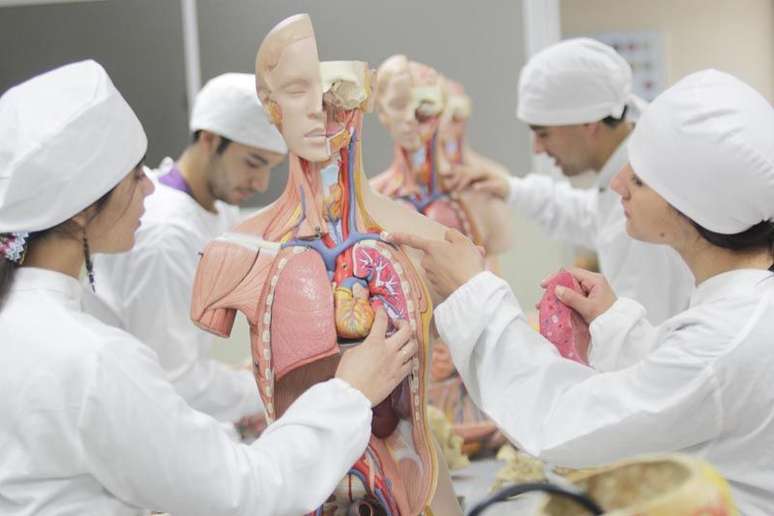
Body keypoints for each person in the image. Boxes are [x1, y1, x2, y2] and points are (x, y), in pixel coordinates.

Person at [0, 60, 416, 515]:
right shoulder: (95, 357)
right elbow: (246, 492)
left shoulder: (33, 318)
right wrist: (349, 392)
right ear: (80, 209)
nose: (149, 189)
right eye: (134, 176)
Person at [389, 70, 774, 513]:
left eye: (640, 180)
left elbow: (567, 420)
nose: (617, 184)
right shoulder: (743, 308)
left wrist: (473, 295)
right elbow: (681, 392)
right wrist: (615, 326)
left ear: (692, 208)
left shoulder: (723, 343)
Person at [91, 73, 286, 430]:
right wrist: (274, 391)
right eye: (253, 163)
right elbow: (173, 383)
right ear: (210, 139)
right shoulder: (166, 236)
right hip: (139, 421)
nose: (261, 184)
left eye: (270, 169)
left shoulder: (214, 208)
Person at [450, 38, 693, 324]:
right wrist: (511, 189)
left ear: (588, 123)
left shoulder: (644, 202)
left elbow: (637, 338)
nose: (537, 148)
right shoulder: (631, 169)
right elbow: (590, 214)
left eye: (543, 134)